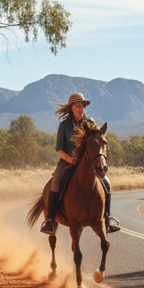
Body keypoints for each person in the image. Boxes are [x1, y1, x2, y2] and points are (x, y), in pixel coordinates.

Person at [40, 92, 121, 235]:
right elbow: (59, 149)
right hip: (67, 162)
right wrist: (71, 160)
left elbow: (98, 140)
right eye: (78, 106)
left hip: (88, 164)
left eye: (82, 106)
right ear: (72, 107)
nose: (81, 109)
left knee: (106, 183)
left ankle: (107, 220)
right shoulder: (64, 126)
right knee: (55, 182)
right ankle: (50, 221)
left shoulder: (89, 123)